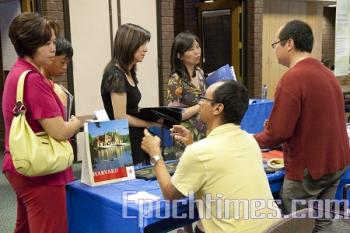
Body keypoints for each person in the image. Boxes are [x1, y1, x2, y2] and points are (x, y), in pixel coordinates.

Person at [142, 80, 281, 233]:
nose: (199, 103)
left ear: (217, 108)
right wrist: (191, 145)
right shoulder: (250, 141)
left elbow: (170, 194)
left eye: (204, 99)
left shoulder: (200, 152)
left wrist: (155, 154)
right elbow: (216, 164)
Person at [254, 20, 350, 232]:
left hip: (310, 168)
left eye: (275, 44)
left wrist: (247, 140)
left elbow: (277, 134)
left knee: (295, 224)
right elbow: (317, 118)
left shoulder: (293, 78)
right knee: (322, 222)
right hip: (335, 162)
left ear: (289, 43)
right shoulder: (327, 74)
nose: (275, 49)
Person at [2, 12, 81, 233]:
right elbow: (59, 131)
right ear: (31, 44)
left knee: (25, 226)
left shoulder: (17, 72)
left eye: (53, 42)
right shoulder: (34, 79)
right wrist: (76, 122)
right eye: (47, 43)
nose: (53, 49)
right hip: (42, 171)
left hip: (22, 163)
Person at [101, 23, 161, 165]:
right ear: (129, 44)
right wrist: (150, 122)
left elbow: (130, 110)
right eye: (142, 44)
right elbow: (120, 117)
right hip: (126, 140)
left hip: (135, 136)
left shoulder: (128, 71)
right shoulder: (115, 74)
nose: (145, 49)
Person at [167, 32, 206, 158]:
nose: (197, 52)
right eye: (191, 49)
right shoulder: (175, 80)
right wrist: (200, 106)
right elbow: (175, 115)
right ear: (180, 55)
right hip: (185, 135)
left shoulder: (200, 73)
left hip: (203, 132)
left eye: (198, 47)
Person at [42, 37, 74, 120]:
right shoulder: (41, 84)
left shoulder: (50, 83)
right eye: (62, 62)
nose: (65, 67)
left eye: (67, 63)